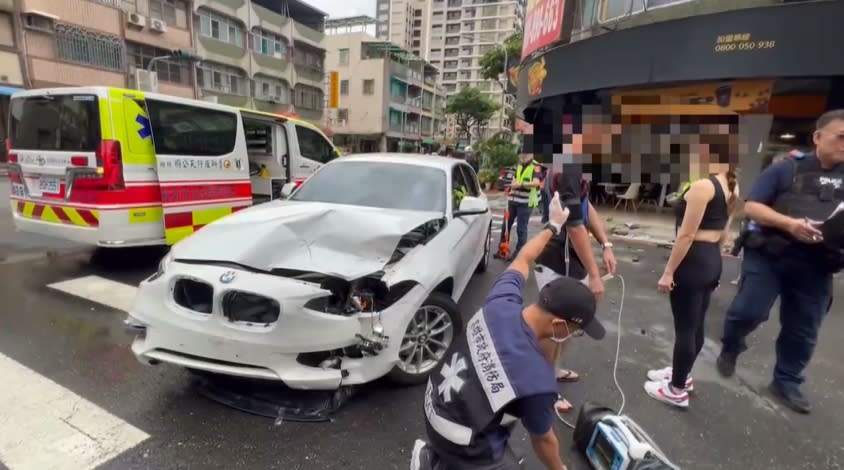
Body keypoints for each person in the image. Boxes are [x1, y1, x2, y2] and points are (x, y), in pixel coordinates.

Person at [412, 192, 606, 470]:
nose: (573, 337)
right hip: (461, 440)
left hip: (433, 404)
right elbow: (543, 441)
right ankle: (433, 462)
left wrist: (552, 225)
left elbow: (523, 258)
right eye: (576, 330)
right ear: (560, 326)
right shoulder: (537, 378)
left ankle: (435, 457)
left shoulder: (502, 301)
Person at [716, 110, 844, 414]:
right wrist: (790, 224)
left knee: (804, 328)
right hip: (771, 255)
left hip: (817, 264)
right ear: (818, 137)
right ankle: (732, 344)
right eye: (841, 137)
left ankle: (787, 381)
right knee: (748, 311)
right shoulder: (787, 169)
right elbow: (752, 208)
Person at [644, 139, 739, 409]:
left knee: (685, 328)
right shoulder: (729, 184)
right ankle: (682, 376)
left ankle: (675, 389)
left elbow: (686, 235)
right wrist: (715, 265)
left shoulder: (703, 186)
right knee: (696, 324)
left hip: (693, 259)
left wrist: (668, 271)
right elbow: (724, 234)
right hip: (710, 258)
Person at [534, 173, 617, 411]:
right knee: (554, 328)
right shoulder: (567, 162)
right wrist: (593, 273)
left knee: (569, 326)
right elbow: (574, 225)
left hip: (573, 261)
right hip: (556, 261)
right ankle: (544, 388)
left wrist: (606, 244)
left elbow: (585, 205)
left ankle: (555, 369)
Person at [496, 150, 543, 258]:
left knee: (521, 228)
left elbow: (536, 183)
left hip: (525, 202)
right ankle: (502, 250)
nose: (522, 156)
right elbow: (515, 179)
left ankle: (519, 254)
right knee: (505, 225)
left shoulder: (536, 166)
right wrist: (509, 187)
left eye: (524, 154)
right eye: (521, 154)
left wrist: (520, 185)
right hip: (513, 199)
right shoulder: (519, 165)